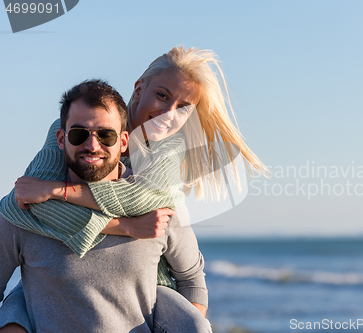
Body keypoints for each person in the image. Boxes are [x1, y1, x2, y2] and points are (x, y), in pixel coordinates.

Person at [0, 47, 268, 332]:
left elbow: (140, 203)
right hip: (58, 290)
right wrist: (14, 317)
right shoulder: (74, 123)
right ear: (139, 89)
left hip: (153, 288)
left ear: (123, 141)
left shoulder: (166, 163)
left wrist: (58, 194)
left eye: (183, 107)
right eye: (162, 96)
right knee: (28, 294)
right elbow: (31, 198)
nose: (168, 113)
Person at [0, 79, 211, 332]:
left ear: (123, 142)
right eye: (79, 134)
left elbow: (192, 281)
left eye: (105, 135)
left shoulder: (158, 207)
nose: (92, 145)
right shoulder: (24, 208)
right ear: (60, 138)